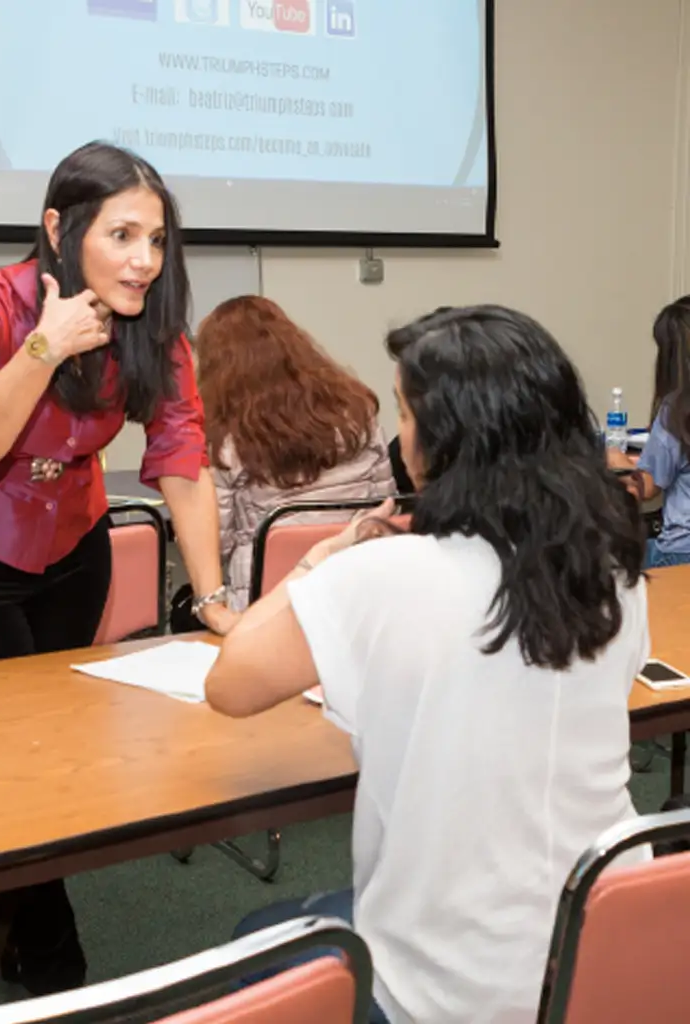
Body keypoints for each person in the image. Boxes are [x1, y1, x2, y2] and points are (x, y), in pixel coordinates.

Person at [204, 306, 648, 1023]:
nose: (398, 436)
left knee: (255, 940)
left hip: (443, 991)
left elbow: (229, 683)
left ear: (445, 440)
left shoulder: (383, 575)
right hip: (606, 952)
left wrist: (327, 552)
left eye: (406, 414)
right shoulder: (613, 567)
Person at [0, 141, 238, 995]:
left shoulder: (155, 328)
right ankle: (54, 965)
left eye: (156, 240)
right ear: (60, 228)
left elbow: (183, 459)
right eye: (122, 236)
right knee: (8, 757)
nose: (145, 261)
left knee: (47, 753)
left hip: (72, 551)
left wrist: (215, 596)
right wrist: (43, 350)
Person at [195, 295, 394, 612]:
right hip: (356, 591)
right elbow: (384, 505)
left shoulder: (226, 443)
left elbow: (214, 544)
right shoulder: (359, 415)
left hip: (265, 604)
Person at [609, 295, 690, 567]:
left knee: (607, 558)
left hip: (681, 552)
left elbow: (646, 488)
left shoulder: (677, 412)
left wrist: (616, 460)